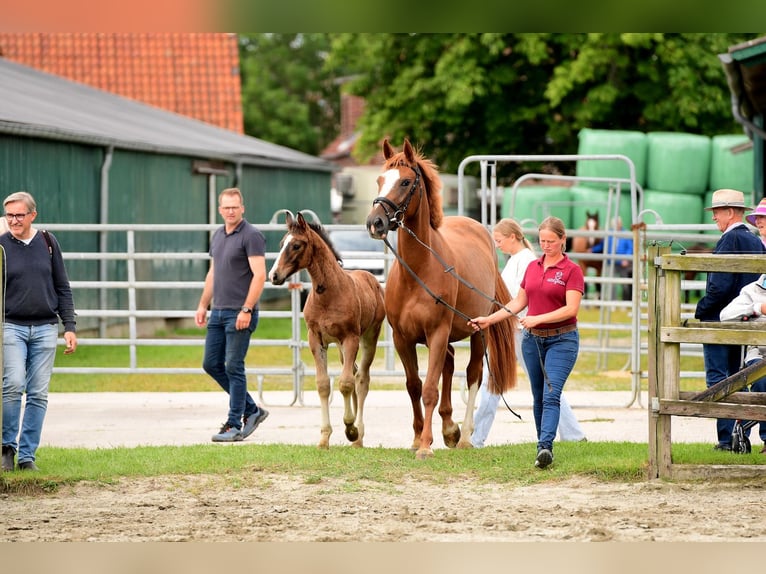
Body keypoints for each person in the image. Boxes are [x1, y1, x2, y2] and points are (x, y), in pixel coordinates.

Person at [469, 216, 584, 469]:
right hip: (529, 337)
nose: (545, 245)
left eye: (551, 241)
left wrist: (534, 319)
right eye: (542, 240)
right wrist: (488, 320)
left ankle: (547, 446)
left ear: (563, 240)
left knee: (550, 392)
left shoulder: (568, 270)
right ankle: (548, 440)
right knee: (538, 394)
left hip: (554, 337)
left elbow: (570, 309)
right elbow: (517, 302)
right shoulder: (532, 267)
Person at [1, 191, 77, 472]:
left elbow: (62, 286)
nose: (14, 220)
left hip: (46, 327)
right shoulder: (1, 245)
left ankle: (27, 456)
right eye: (9, 215)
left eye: (20, 215)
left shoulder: (47, 242)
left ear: (33, 214)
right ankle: (7, 447)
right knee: (12, 385)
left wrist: (69, 326)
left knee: (38, 393)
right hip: (11, 326)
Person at [195, 188, 269, 442]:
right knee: (211, 364)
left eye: (234, 207)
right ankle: (252, 409)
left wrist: (247, 309)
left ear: (242, 208)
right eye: (226, 207)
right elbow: (213, 273)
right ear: (220, 210)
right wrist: (203, 304)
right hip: (218, 312)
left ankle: (234, 423)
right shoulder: (217, 235)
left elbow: (260, 275)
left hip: (240, 312)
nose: (230, 211)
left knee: (233, 366)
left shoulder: (252, 236)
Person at [694, 188, 765, 451]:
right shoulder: (755, 241)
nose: (714, 217)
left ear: (729, 212)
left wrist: (702, 309)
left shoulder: (729, 240)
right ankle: (740, 434)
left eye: (717, 212)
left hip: (721, 319)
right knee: (737, 375)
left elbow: (720, 286)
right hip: (744, 319)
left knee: (718, 379)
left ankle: (726, 438)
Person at [719, 273, 766, 454]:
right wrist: (758, 308)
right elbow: (725, 316)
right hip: (760, 354)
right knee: (761, 380)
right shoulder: (752, 290)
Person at [590, 216, 634, 301]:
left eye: (618, 223)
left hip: (623, 263)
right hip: (611, 262)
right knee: (611, 284)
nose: (617, 225)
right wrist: (592, 249)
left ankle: (624, 303)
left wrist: (626, 259)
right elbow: (602, 245)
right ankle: (613, 302)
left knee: (625, 284)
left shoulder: (626, 233)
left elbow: (630, 248)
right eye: (616, 224)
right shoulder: (609, 234)